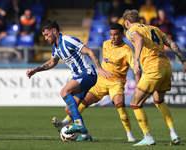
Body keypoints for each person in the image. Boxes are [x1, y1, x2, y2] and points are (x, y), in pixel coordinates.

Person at [26, 18, 111, 142]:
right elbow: (52, 62)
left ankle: (79, 124)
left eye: (46, 34)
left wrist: (100, 69)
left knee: (64, 92)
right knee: (69, 109)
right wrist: (36, 70)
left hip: (87, 73)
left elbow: (89, 51)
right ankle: (86, 136)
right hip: (80, 76)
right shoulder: (56, 47)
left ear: (54, 31)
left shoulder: (68, 40)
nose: (45, 38)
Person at [52, 23, 140, 142]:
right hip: (101, 81)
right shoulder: (105, 44)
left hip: (116, 82)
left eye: (115, 35)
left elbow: (136, 68)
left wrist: (138, 84)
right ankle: (66, 123)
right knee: (83, 102)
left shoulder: (128, 51)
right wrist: (100, 69)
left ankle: (130, 136)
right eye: (111, 35)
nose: (113, 37)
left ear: (122, 34)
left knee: (120, 105)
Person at [123, 9, 186, 146]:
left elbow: (138, 39)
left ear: (126, 22)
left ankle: (148, 137)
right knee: (159, 101)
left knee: (135, 103)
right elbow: (172, 44)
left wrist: (136, 61)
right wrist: (183, 61)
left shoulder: (130, 30)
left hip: (153, 69)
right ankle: (173, 134)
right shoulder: (154, 28)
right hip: (166, 67)